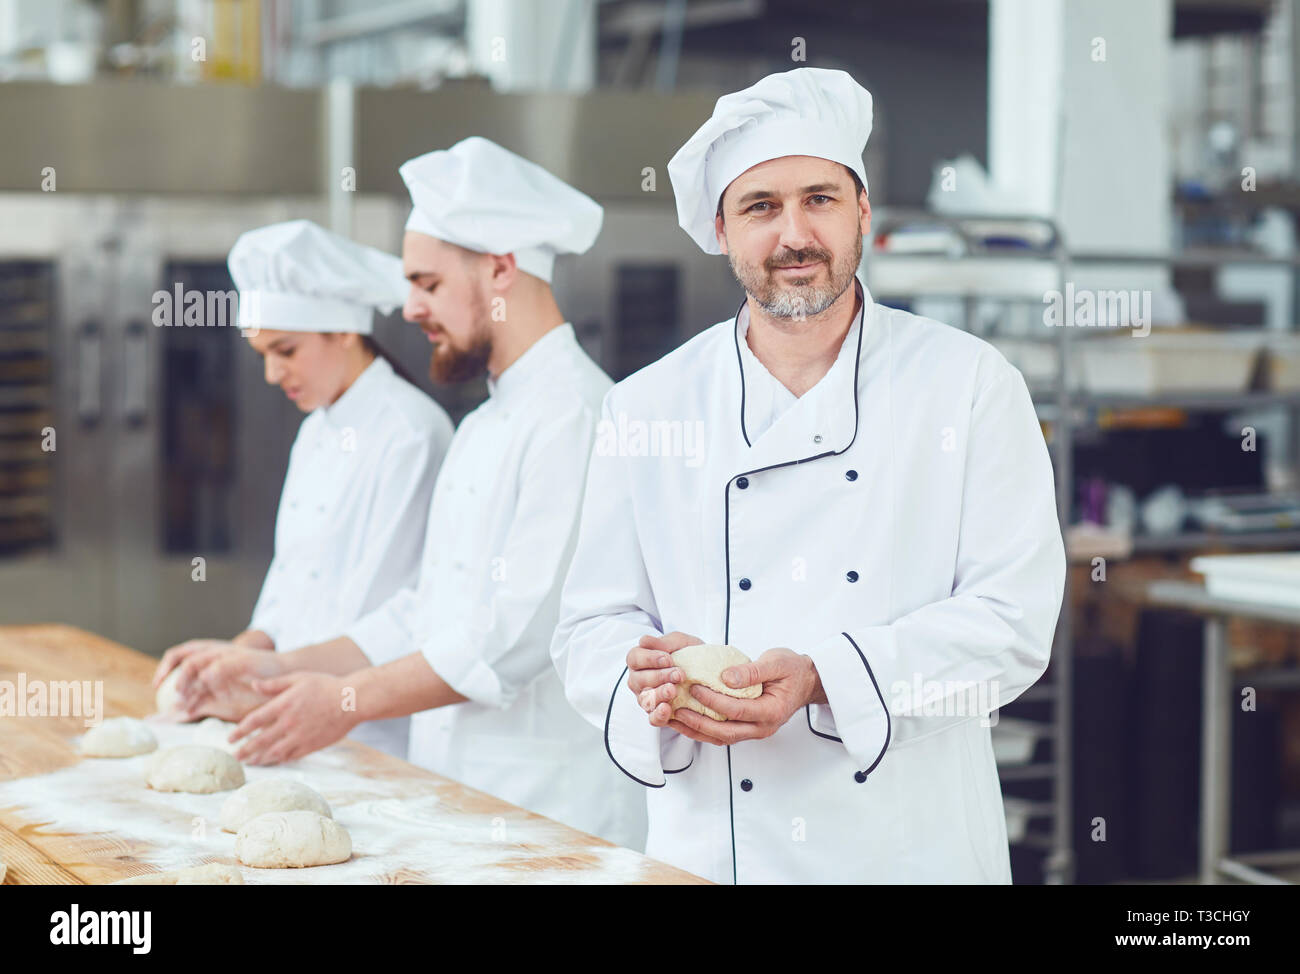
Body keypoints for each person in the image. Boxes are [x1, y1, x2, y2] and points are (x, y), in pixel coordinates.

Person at [551, 67, 1066, 883]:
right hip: (713, 851)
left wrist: (827, 675)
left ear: (863, 211)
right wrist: (643, 676)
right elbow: (589, 626)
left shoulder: (966, 384)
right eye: (761, 207)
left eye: (819, 199)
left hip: (908, 848)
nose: (794, 234)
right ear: (720, 230)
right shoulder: (646, 404)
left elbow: (1014, 621)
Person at [174, 139, 648, 851]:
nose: (411, 307)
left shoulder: (577, 417)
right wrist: (276, 666)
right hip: (456, 790)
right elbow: (425, 610)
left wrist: (343, 700)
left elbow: (513, 637)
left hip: (547, 807)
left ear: (501, 268)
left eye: (427, 283)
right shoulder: (486, 423)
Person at [153, 219, 454, 759]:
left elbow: (407, 612)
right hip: (287, 710)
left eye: (286, 350)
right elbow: (293, 580)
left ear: (343, 331)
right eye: (263, 353)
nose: (272, 373)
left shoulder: (412, 433)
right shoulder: (316, 429)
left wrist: (280, 670)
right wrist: (237, 653)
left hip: (369, 728)